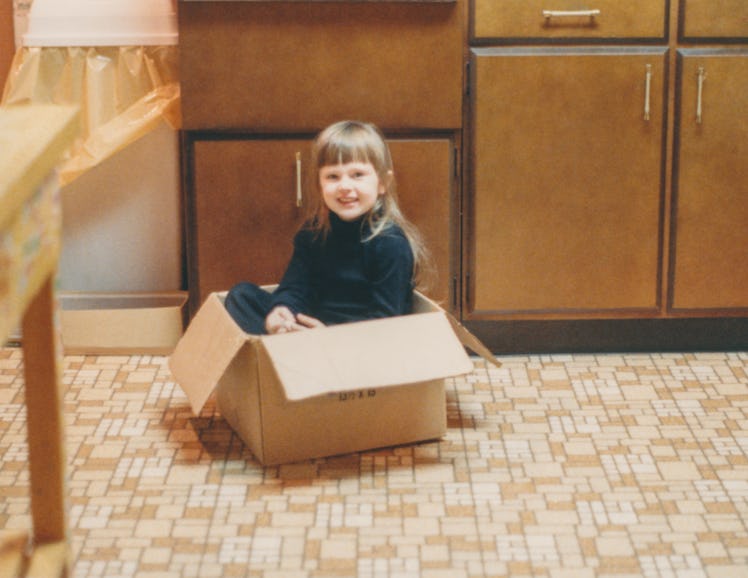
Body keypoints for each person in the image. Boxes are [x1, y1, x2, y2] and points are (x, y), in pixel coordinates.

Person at [224, 120, 430, 335]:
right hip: (311, 325)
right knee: (241, 296)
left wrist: (329, 336)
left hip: (359, 338)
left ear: (382, 183)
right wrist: (281, 309)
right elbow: (294, 287)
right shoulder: (313, 232)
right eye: (333, 176)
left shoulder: (390, 244)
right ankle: (284, 348)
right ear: (319, 184)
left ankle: (296, 353)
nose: (344, 186)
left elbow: (386, 321)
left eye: (357, 175)